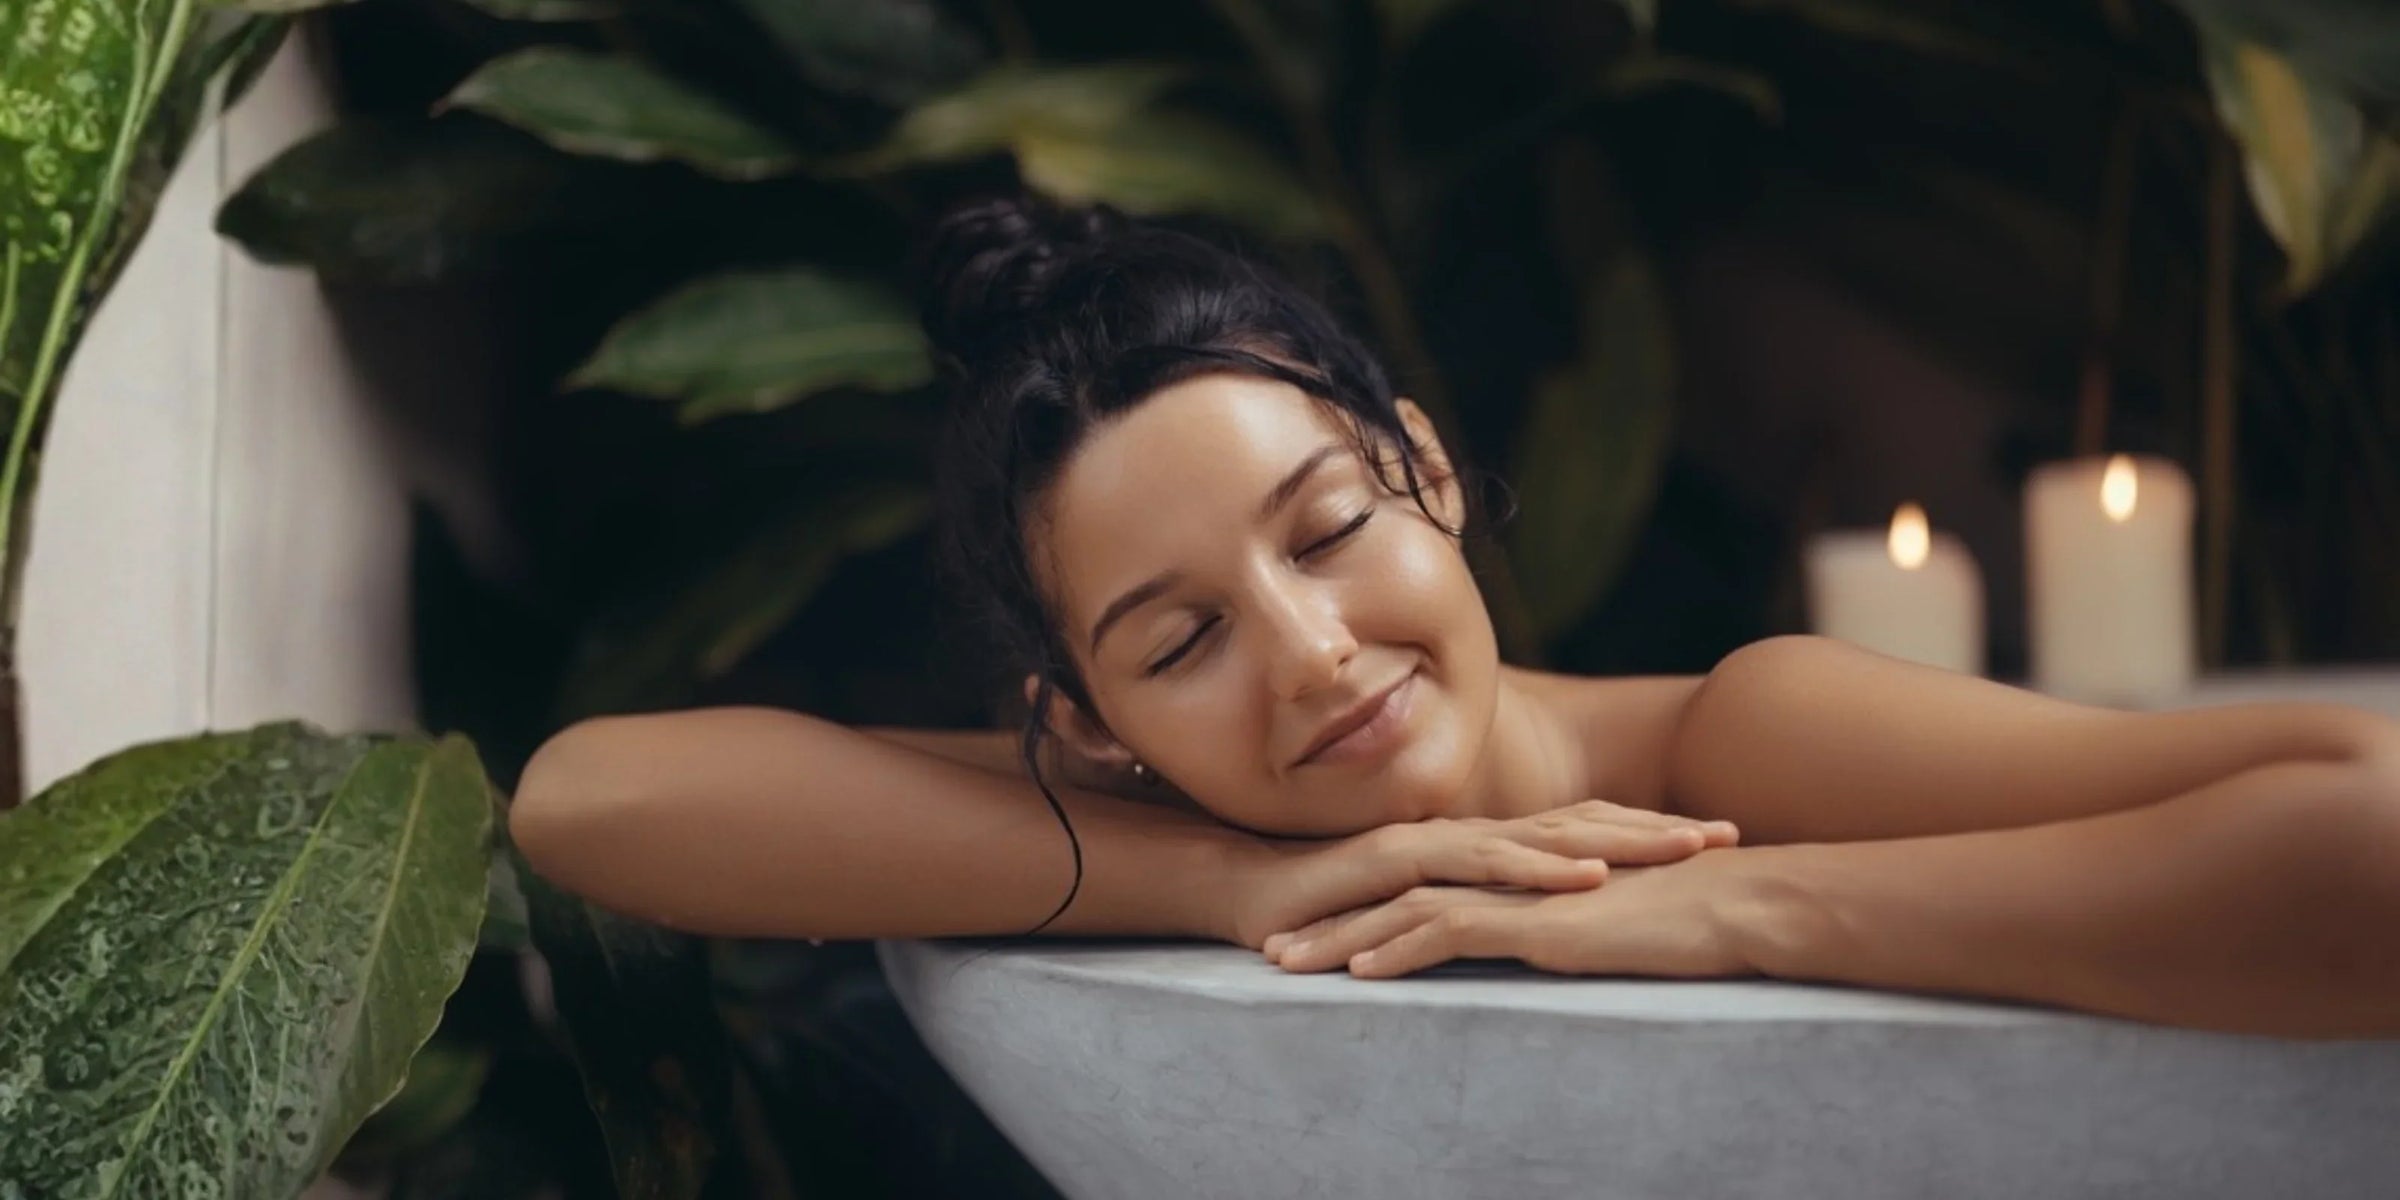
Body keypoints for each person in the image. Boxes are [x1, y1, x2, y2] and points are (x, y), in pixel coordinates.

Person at [510, 196, 2400, 1040]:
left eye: (1328, 528)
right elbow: (586, 802)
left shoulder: (1749, 738)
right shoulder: (1200, 808)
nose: (1311, 652)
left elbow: (2371, 819)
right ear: (1087, 726)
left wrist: (1736, 903)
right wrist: (1227, 884)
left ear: (1422, 466)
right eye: (1178, 644)